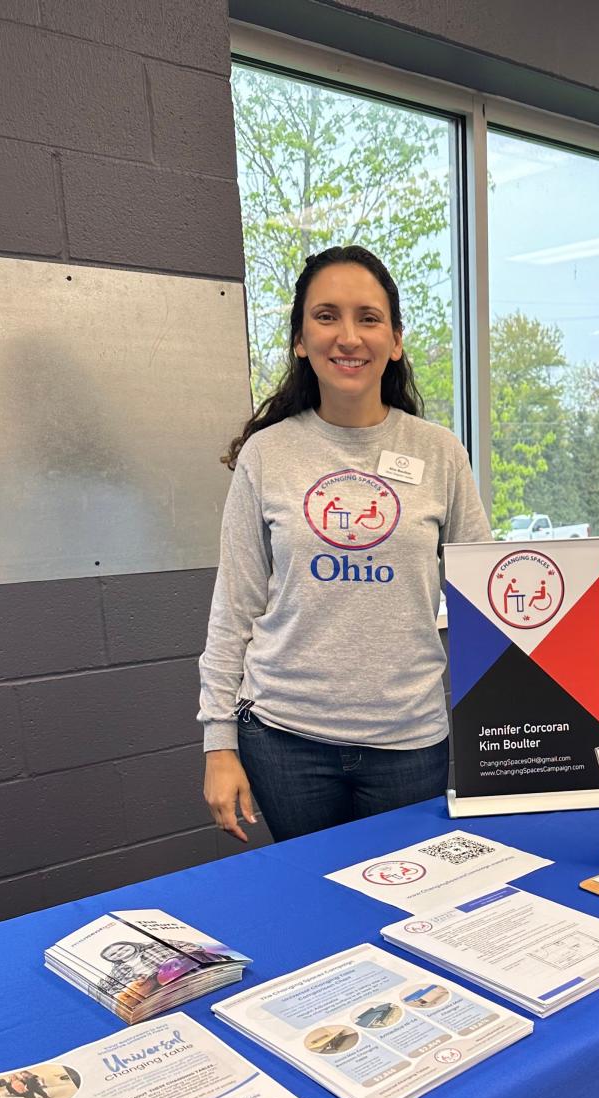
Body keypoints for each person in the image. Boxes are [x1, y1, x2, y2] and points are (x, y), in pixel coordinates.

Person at [199, 245, 491, 842]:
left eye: (369, 317)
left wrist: (527, 728)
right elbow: (235, 608)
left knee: (409, 904)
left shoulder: (440, 453)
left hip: (408, 740)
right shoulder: (267, 455)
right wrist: (218, 743)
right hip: (285, 739)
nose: (348, 336)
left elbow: (483, 602)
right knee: (314, 908)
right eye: (326, 316)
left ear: (396, 340)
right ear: (301, 340)